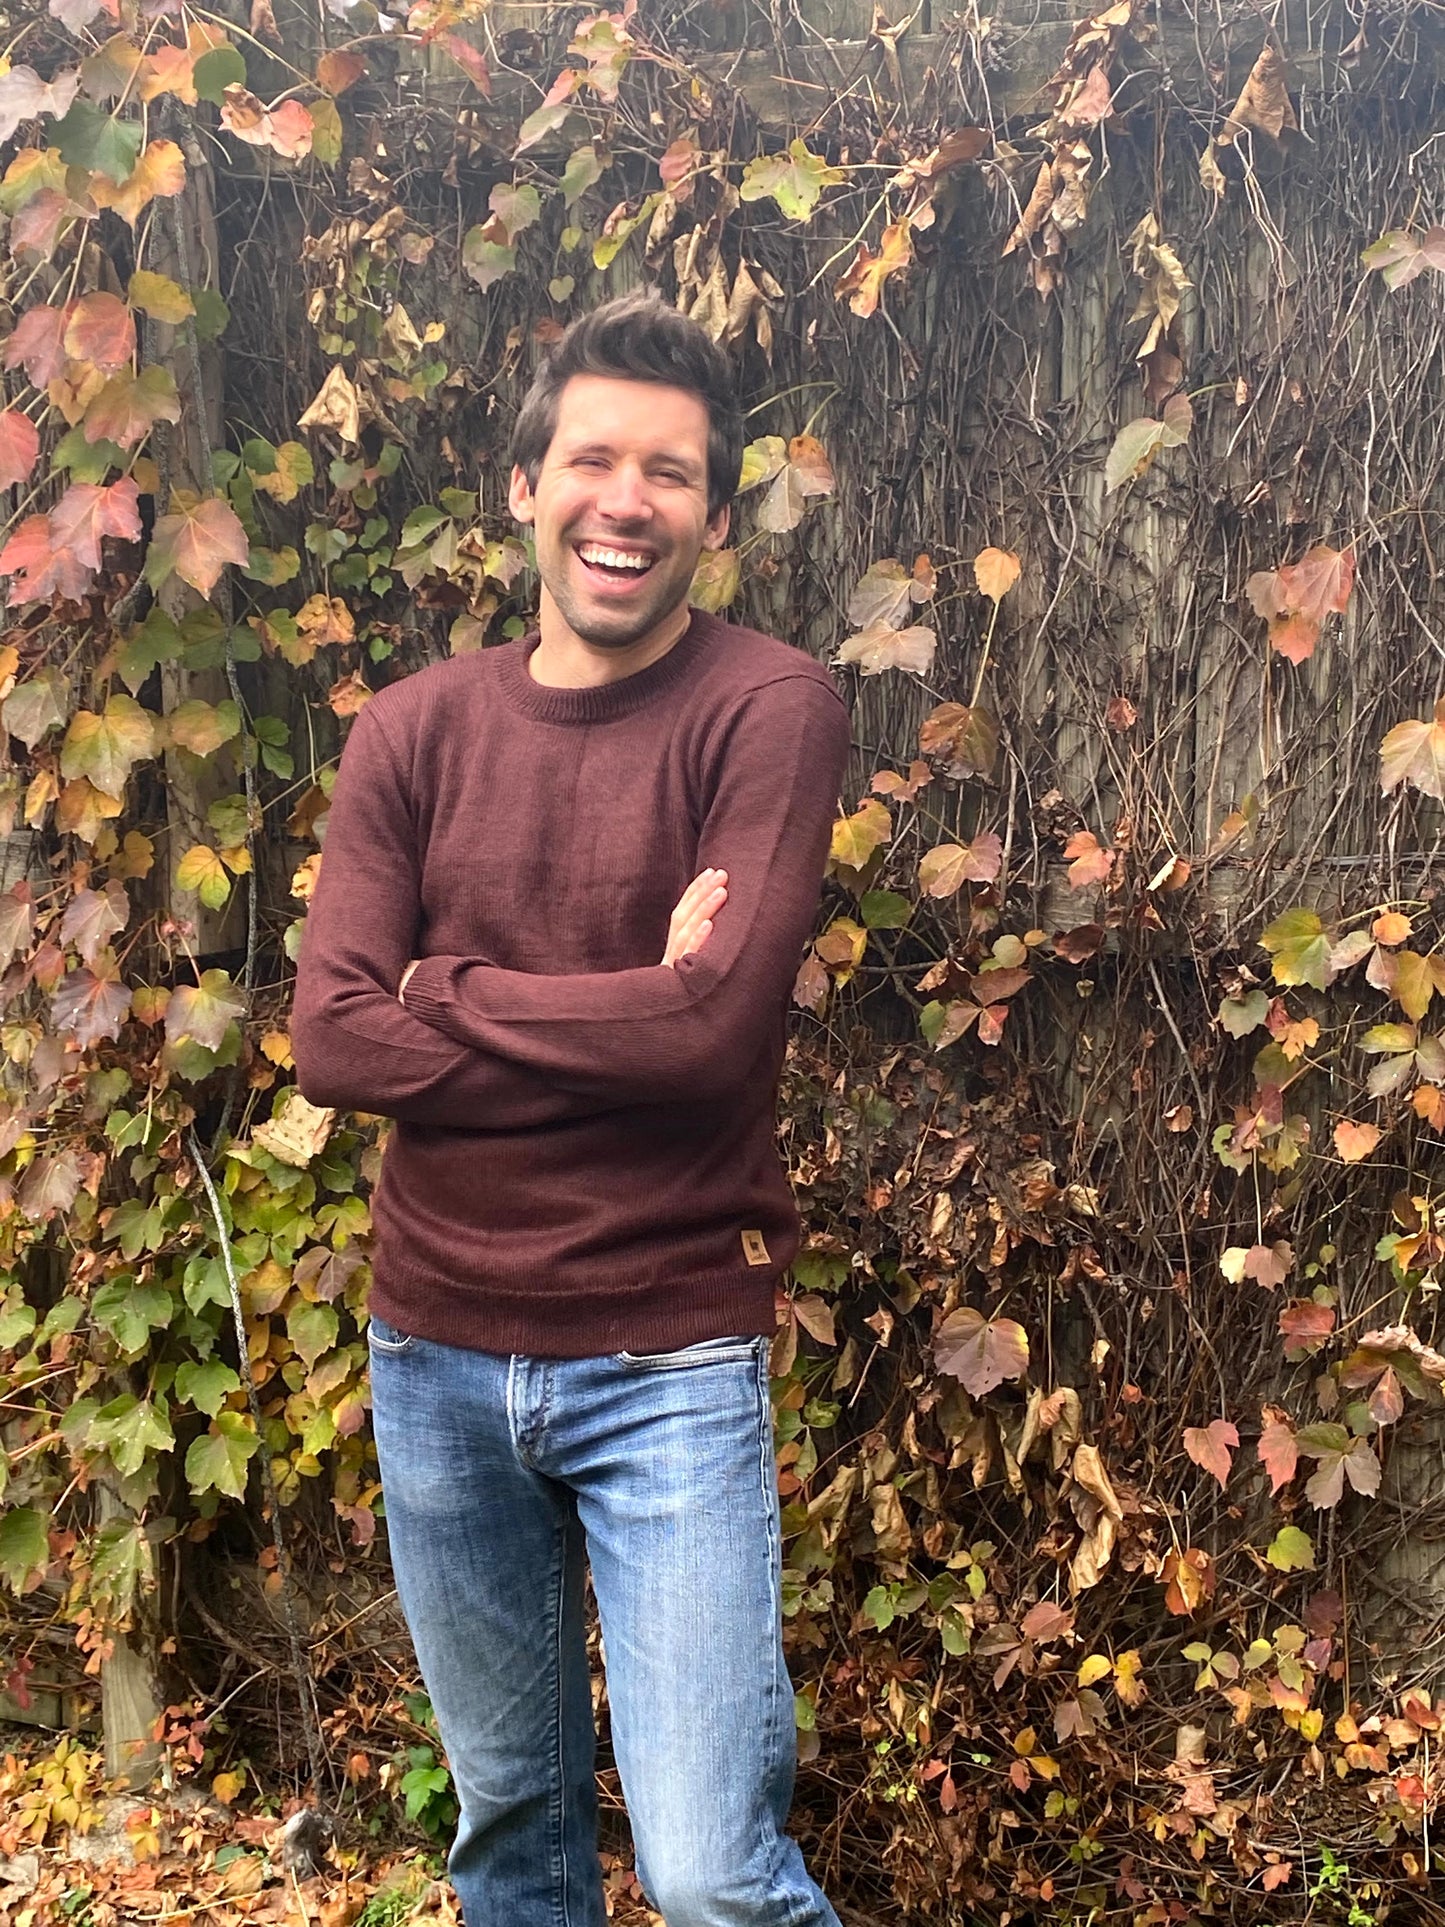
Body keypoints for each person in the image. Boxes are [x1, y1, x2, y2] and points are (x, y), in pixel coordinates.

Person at [292, 288, 850, 1927]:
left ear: (716, 519)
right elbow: (330, 1041)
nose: (627, 501)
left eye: (669, 474)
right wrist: (629, 1002)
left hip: (664, 1357)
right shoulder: (411, 732)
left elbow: (709, 1032)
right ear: (521, 487)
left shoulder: (769, 706)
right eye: (592, 459)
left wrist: (443, 993)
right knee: (512, 1837)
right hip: (435, 1356)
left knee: (713, 1876)